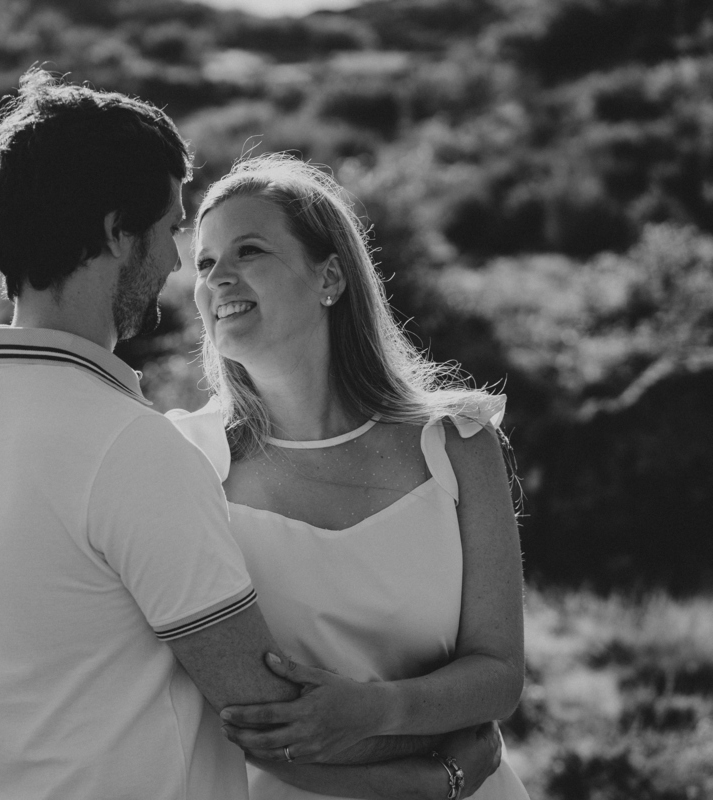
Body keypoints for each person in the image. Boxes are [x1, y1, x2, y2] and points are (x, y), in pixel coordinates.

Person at [0, 71, 500, 799]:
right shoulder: (134, 448)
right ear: (117, 232)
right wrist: (442, 773)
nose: (177, 264)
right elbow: (272, 717)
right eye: (173, 232)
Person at [168, 153, 530, 799]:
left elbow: (499, 676)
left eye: (248, 251)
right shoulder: (188, 462)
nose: (217, 278)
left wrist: (375, 711)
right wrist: (433, 775)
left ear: (330, 276)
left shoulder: (459, 445)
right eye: (203, 262)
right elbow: (251, 725)